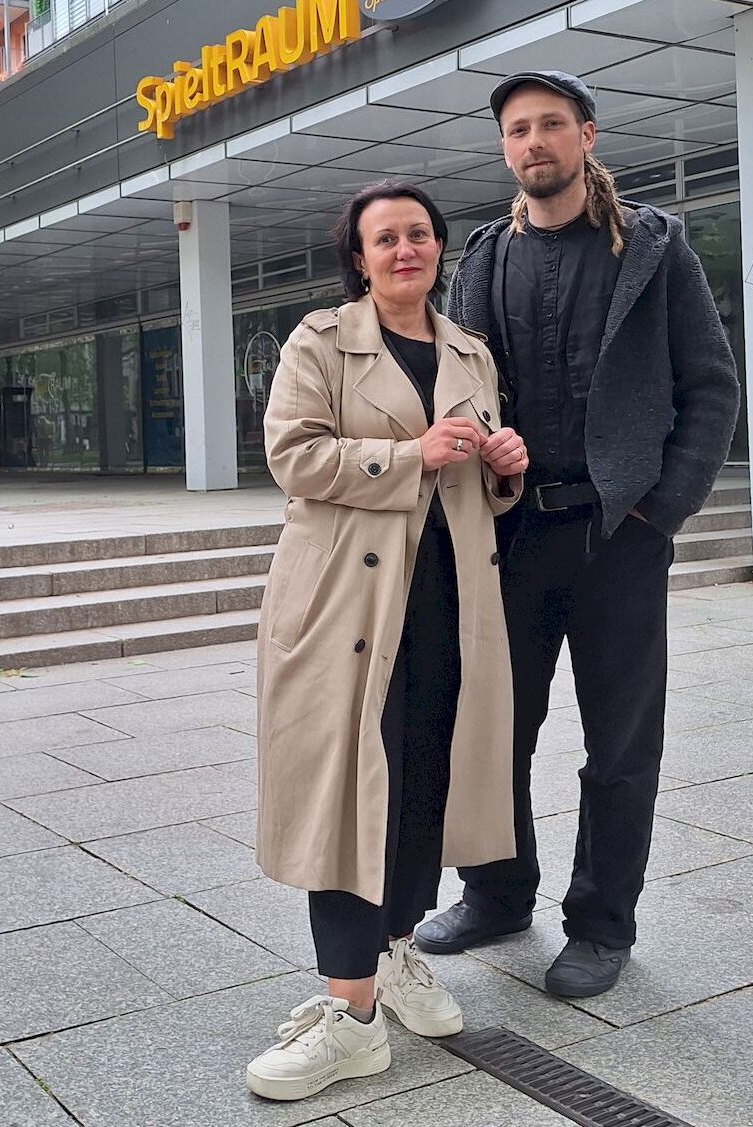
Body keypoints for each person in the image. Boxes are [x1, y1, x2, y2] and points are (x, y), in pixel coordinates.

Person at [415, 71, 741, 999]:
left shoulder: (653, 248)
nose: (534, 144)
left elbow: (712, 386)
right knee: (493, 729)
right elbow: (459, 391)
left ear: (588, 135)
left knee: (622, 742)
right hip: (510, 539)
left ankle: (601, 923)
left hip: (618, 536)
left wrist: (659, 508)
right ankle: (497, 891)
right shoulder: (480, 257)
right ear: (504, 148)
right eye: (517, 131)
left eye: (551, 125)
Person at [246, 180, 529, 1103]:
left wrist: (503, 468)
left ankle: (396, 950)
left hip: (448, 604)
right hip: (346, 610)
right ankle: (350, 1014)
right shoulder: (320, 342)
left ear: (439, 249)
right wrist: (411, 457)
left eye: (418, 234)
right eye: (384, 239)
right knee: (350, 794)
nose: (404, 249)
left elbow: (477, 476)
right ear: (359, 259)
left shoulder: (470, 352)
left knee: (424, 781)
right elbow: (294, 456)